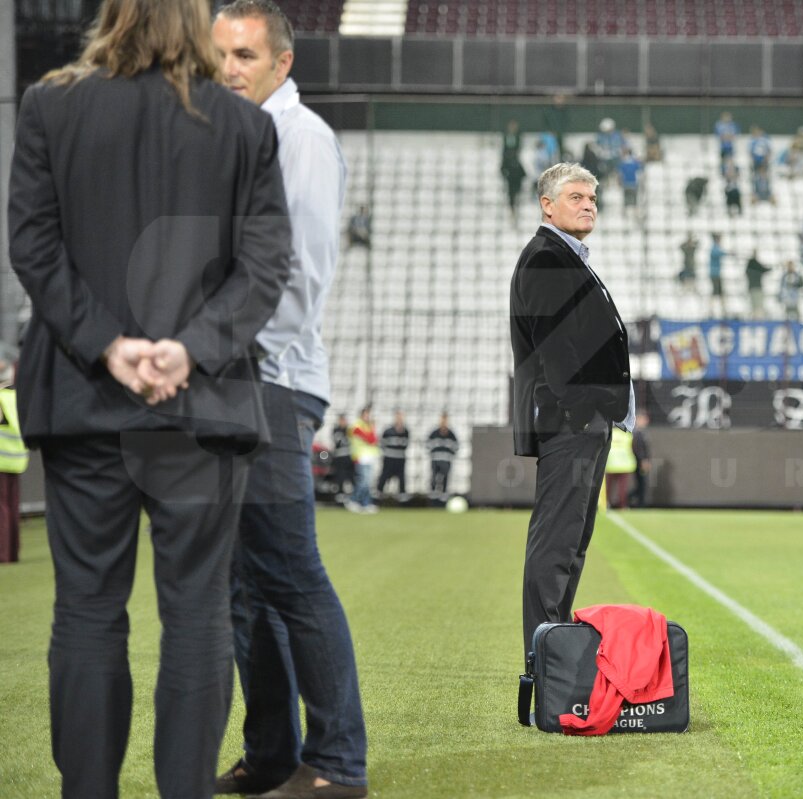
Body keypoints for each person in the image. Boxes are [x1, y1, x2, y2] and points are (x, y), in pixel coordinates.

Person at [6, 0, 293, 795]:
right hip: (200, 408)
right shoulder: (243, 127)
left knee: (88, 611)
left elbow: (31, 241)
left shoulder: (49, 105)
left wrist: (107, 343)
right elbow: (266, 265)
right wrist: (189, 349)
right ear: (197, 22)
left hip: (83, 396)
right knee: (197, 616)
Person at [210, 4, 369, 798]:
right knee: (247, 584)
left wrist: (232, 352)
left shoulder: (298, 137)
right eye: (221, 55)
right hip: (237, 378)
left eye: (245, 54)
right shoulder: (235, 134)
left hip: (269, 378)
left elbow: (299, 276)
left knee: (291, 572)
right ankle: (273, 752)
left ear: (283, 60)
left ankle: (338, 761)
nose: (229, 68)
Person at [510, 162, 633, 659]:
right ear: (547, 204)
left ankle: (554, 651)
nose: (588, 205)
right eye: (577, 197)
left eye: (592, 199)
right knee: (557, 544)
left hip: (581, 423)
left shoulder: (564, 256)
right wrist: (584, 411)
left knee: (571, 543)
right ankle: (545, 659)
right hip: (570, 424)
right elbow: (556, 348)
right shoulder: (547, 258)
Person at [0, 348, 28, 563]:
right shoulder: (16, 397)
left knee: (2, 510)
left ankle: (3, 554)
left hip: (1, 459)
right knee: (11, 508)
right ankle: (12, 552)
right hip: (16, 459)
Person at [347, 405, 379, 513]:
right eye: (365, 415)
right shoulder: (356, 426)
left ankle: (366, 503)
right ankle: (353, 500)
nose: (367, 417)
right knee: (363, 481)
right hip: (361, 456)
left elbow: (374, 439)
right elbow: (370, 439)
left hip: (369, 457)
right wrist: (372, 429)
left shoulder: (368, 426)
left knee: (368, 482)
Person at [376, 410, 409, 497]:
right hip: (389, 459)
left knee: (401, 479)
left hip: (400, 459)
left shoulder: (406, 432)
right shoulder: (388, 432)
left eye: (401, 417)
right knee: (384, 477)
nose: (400, 419)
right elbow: (382, 444)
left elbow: (406, 445)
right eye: (398, 417)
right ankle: (377, 497)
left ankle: (402, 500)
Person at [426, 412, 458, 498]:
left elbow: (456, 447)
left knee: (445, 479)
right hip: (436, 460)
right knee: (434, 478)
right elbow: (428, 445)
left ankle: (443, 498)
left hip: (446, 460)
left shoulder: (451, 435)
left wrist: (449, 454)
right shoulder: (434, 434)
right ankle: (433, 497)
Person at [604, 427, 637, 510]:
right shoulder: (628, 435)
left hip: (610, 465)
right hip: (625, 465)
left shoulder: (609, 433)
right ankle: (622, 506)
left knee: (608, 487)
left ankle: (606, 504)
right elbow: (633, 448)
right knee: (622, 488)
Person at [500, 119, 526, 222]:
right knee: (511, 190)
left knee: (515, 188)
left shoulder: (518, 138)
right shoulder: (506, 137)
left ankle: (515, 203)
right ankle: (512, 208)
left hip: (514, 169)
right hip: (510, 168)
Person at [630, 411, 652, 508]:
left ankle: (638, 502)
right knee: (641, 483)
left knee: (641, 483)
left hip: (640, 461)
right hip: (638, 461)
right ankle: (637, 502)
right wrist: (643, 460)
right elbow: (639, 449)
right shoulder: (636, 433)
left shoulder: (641, 432)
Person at [709, 233, 732, 318]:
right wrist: (730, 254)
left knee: (719, 292)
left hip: (716, 274)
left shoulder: (716, 248)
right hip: (715, 274)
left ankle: (722, 310)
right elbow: (719, 253)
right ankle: (713, 310)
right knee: (716, 292)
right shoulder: (714, 248)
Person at [330, 413, 354, 495]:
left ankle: (351, 494)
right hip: (339, 457)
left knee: (350, 476)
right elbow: (339, 442)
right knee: (340, 475)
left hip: (348, 456)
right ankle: (340, 493)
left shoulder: (349, 430)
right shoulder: (336, 430)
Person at [745, 251, 772, 319]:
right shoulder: (755, 264)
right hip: (757, 287)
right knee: (758, 306)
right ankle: (758, 319)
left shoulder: (749, 266)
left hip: (751, 287)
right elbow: (764, 269)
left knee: (754, 305)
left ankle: (755, 318)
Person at [617, 148, 643, 216]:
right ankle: (635, 211)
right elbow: (640, 170)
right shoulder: (635, 162)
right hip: (633, 182)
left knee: (626, 197)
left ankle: (624, 212)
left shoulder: (623, 162)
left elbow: (620, 173)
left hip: (626, 182)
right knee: (634, 198)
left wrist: (619, 181)